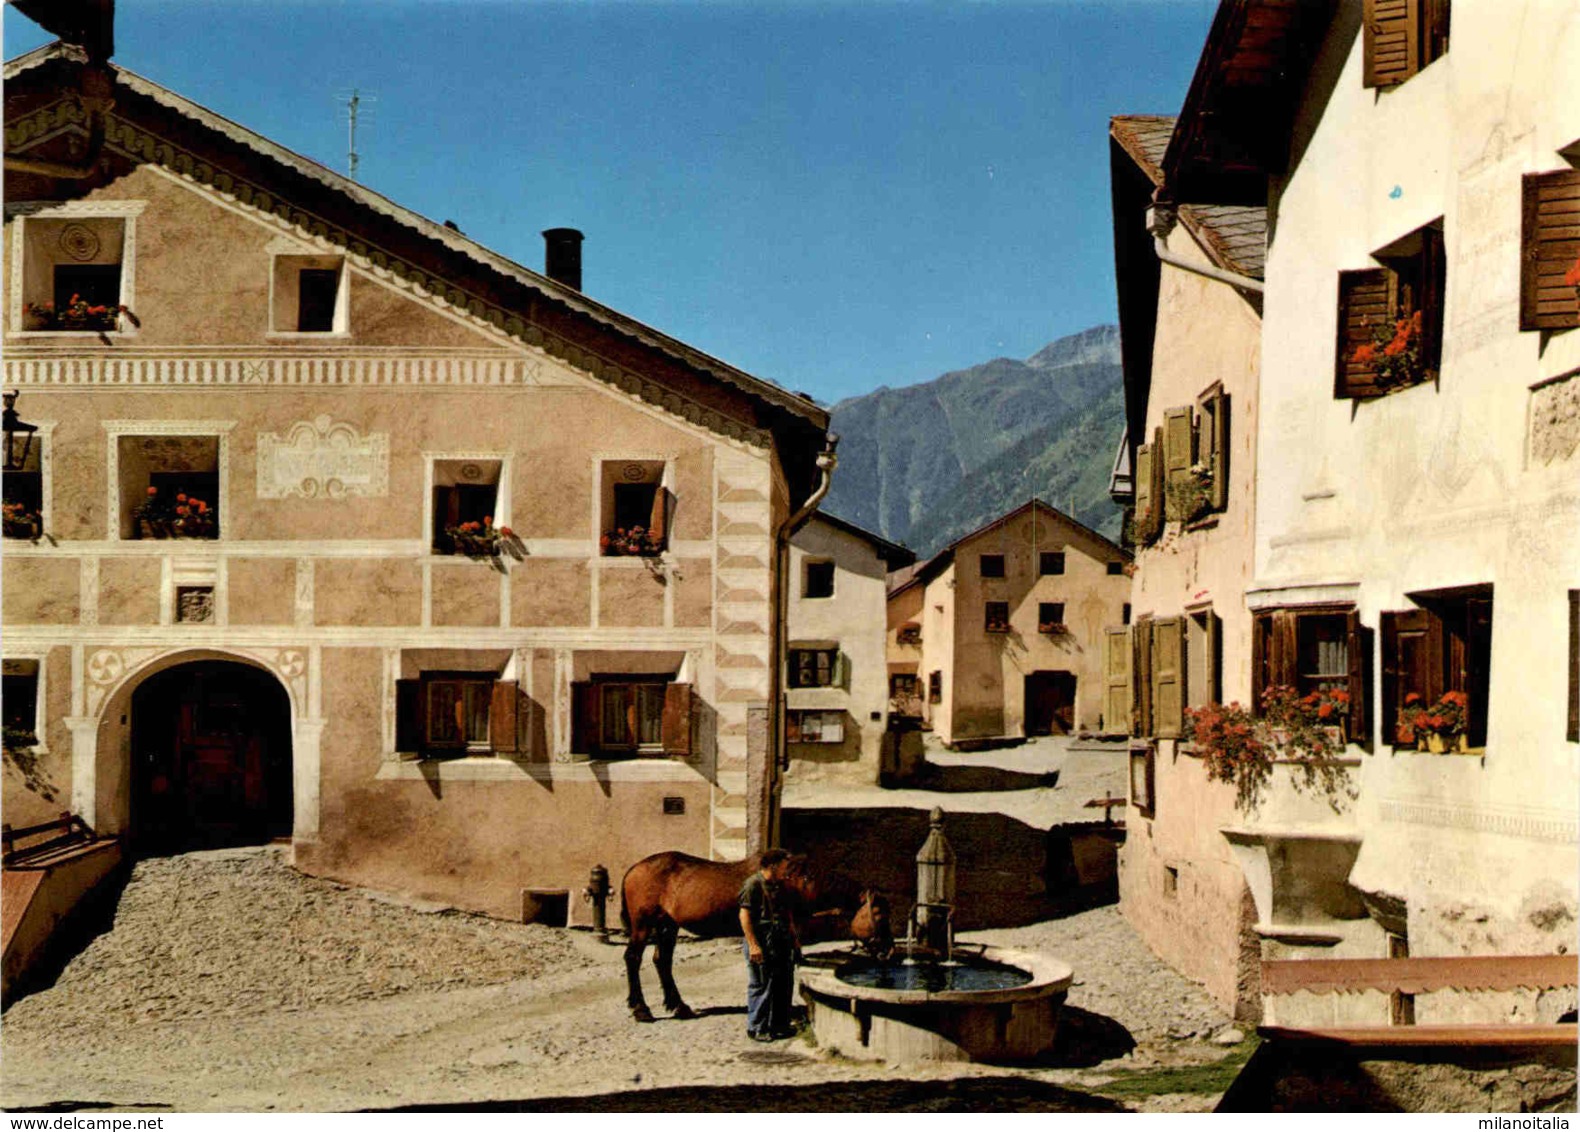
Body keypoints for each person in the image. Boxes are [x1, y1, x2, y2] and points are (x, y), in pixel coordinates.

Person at [738, 848, 800, 1041]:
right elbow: (744, 916)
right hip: (761, 940)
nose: (787, 870)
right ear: (773, 866)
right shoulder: (753, 885)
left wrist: (794, 939)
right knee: (761, 984)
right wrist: (753, 945)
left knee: (783, 982)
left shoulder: (780, 885)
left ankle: (780, 1025)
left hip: (780, 940)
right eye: (784, 866)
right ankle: (757, 1028)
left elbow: (787, 914)